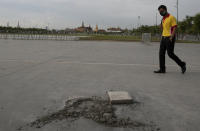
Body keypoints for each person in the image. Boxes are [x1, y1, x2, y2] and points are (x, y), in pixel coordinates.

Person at [154, 5, 186, 74]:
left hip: (170, 38)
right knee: (161, 53)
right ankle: (162, 69)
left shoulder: (171, 17)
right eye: (160, 12)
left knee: (170, 54)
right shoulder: (163, 19)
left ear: (165, 10)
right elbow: (163, 28)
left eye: (162, 11)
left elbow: (174, 27)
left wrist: (171, 37)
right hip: (163, 37)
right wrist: (161, 27)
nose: (161, 13)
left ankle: (182, 64)